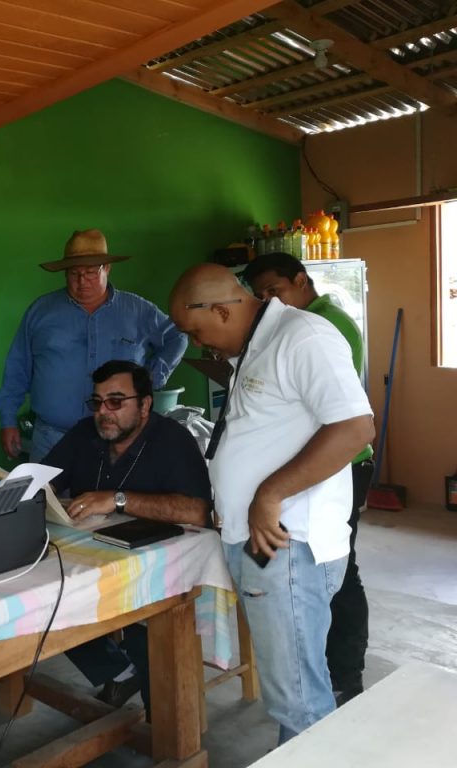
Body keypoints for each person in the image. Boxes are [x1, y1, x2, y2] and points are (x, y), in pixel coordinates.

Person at [169, 264, 374, 744]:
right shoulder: (255, 345)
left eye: (195, 331)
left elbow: (355, 428)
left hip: (288, 546)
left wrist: (270, 493)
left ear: (221, 310)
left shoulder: (302, 336)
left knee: (298, 699)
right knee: (292, 690)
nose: (198, 344)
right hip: (263, 545)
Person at [242, 252, 374, 704]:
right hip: (313, 467)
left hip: (343, 464)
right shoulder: (286, 326)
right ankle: (323, 669)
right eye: (260, 296)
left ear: (301, 280)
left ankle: (346, 673)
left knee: (341, 570)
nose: (269, 302)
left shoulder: (321, 326)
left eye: (275, 291)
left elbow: (345, 420)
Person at [44, 360, 212, 711]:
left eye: (116, 401)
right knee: (47, 603)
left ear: (145, 404)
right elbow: (45, 483)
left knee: (146, 632)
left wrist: (119, 499)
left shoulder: (172, 440)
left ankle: (163, 727)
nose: (103, 412)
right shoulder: (85, 433)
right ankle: (119, 672)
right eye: (97, 402)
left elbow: (197, 512)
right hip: (95, 563)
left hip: (160, 571)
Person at [0, 229, 187, 462]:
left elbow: (178, 335)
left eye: (90, 272)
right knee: (47, 488)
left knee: (118, 488)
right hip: (51, 439)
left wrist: (153, 376)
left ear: (107, 268)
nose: (82, 281)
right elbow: (17, 369)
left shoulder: (137, 310)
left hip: (118, 439)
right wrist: (8, 420)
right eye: (74, 273)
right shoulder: (40, 312)